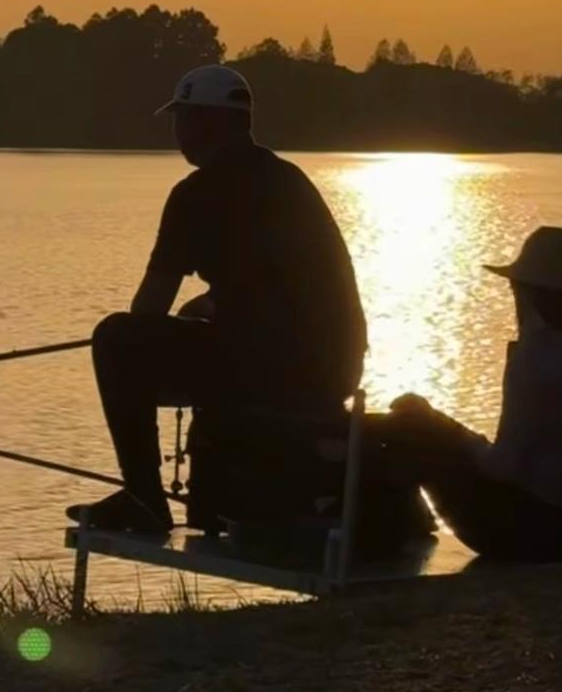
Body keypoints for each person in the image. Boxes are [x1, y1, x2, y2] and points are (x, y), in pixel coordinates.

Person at [68, 64, 368, 533]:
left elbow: (148, 311)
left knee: (116, 339)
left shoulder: (194, 195)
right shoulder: (288, 181)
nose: (179, 131)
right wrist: (210, 305)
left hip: (275, 370)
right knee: (172, 342)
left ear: (212, 123)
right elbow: (277, 281)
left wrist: (153, 349)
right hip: (337, 368)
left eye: (184, 118)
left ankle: (144, 497)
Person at [347, 226, 562, 561]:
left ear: (525, 290)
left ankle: (375, 546)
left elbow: (504, 467)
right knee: (424, 425)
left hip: (541, 533)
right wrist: (448, 429)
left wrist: (449, 432)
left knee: (413, 434)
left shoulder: (537, 356)